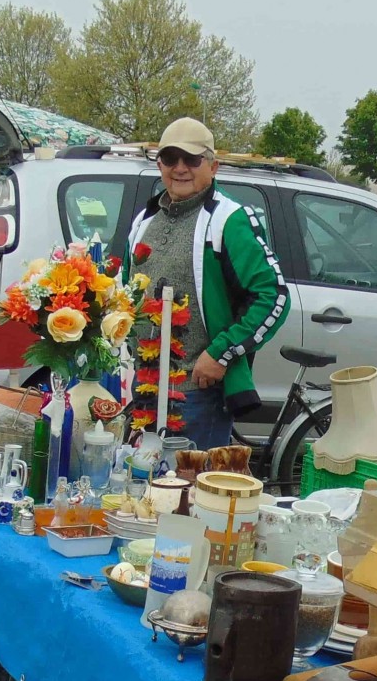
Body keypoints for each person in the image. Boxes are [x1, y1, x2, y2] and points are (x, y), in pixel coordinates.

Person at [123, 116, 290, 449]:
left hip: (198, 394)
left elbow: (273, 297)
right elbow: (124, 294)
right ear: (159, 164)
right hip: (142, 390)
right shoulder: (144, 219)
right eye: (171, 158)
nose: (180, 168)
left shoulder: (229, 220)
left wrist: (220, 353)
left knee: (193, 493)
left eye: (192, 159)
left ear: (213, 166)